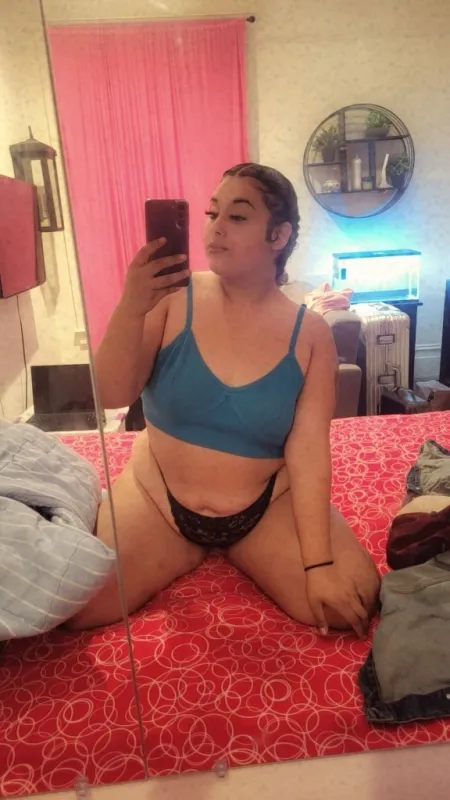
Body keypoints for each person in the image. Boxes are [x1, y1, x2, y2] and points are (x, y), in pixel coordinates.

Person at [69, 163, 380, 634]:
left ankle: (234, 546)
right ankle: (185, 546)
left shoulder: (311, 335)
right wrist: (131, 304)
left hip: (263, 508)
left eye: (237, 216)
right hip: (158, 499)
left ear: (278, 236)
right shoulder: (172, 297)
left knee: (351, 601)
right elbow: (112, 394)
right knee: (77, 608)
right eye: (212, 213)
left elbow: (309, 449)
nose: (215, 228)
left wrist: (317, 564)